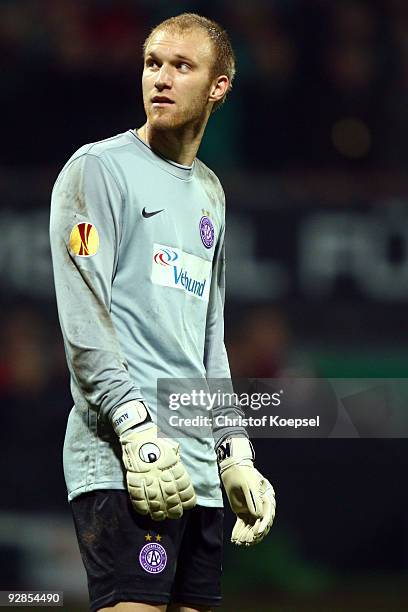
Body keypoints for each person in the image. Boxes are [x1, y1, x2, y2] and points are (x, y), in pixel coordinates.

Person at [50, 13, 275, 612]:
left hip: (197, 473)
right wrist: (134, 428)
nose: (162, 78)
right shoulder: (98, 170)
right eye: (153, 63)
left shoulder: (210, 193)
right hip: (127, 462)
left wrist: (235, 450)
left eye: (182, 66)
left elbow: (209, 340)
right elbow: (84, 317)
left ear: (219, 85)